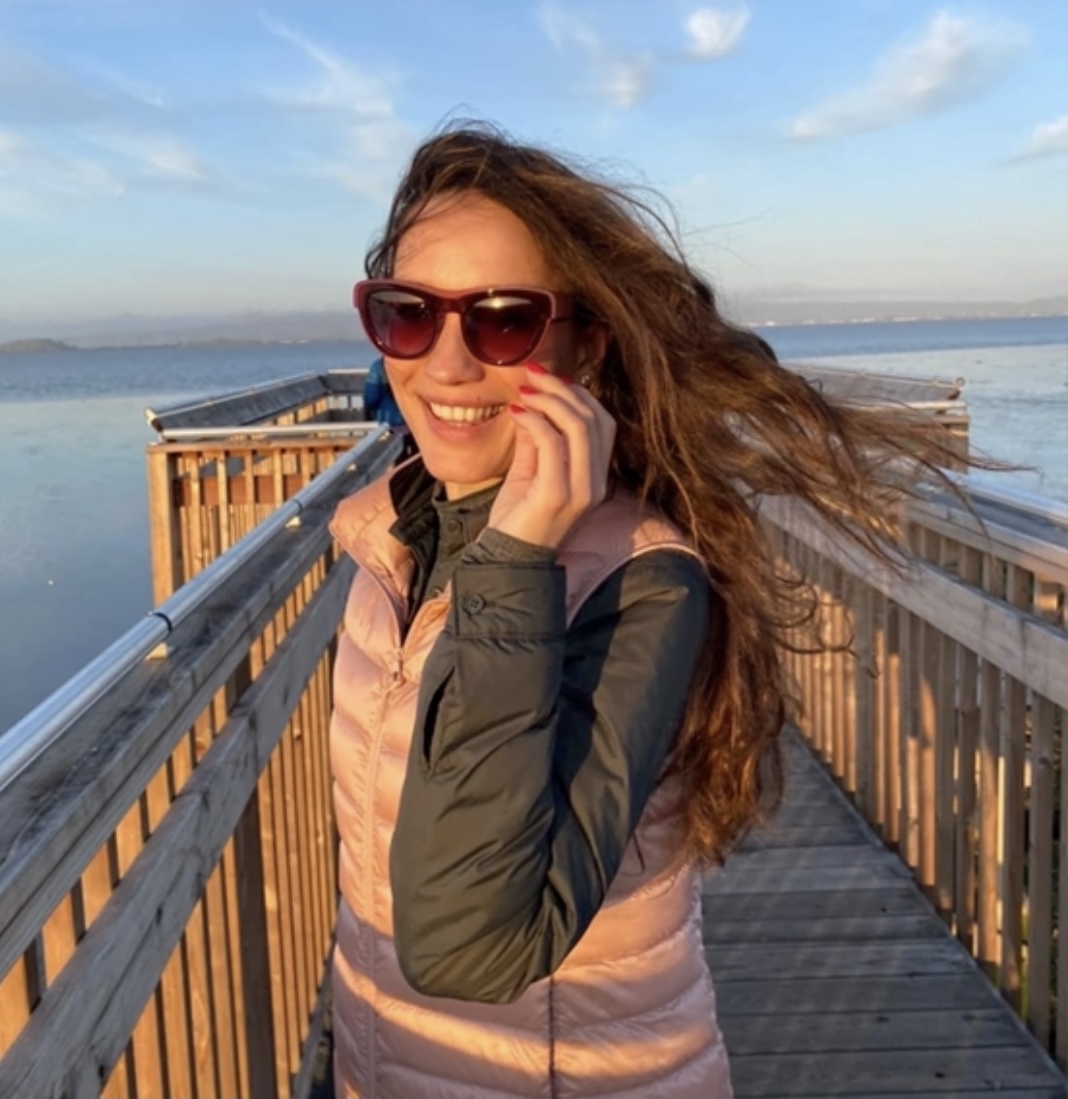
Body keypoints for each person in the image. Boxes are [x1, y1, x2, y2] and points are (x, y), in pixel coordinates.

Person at [327, 122, 967, 1099]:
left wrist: (518, 555)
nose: (447, 365)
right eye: (408, 314)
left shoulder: (638, 582)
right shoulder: (392, 535)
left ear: (583, 346)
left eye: (502, 320)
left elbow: (468, 947)